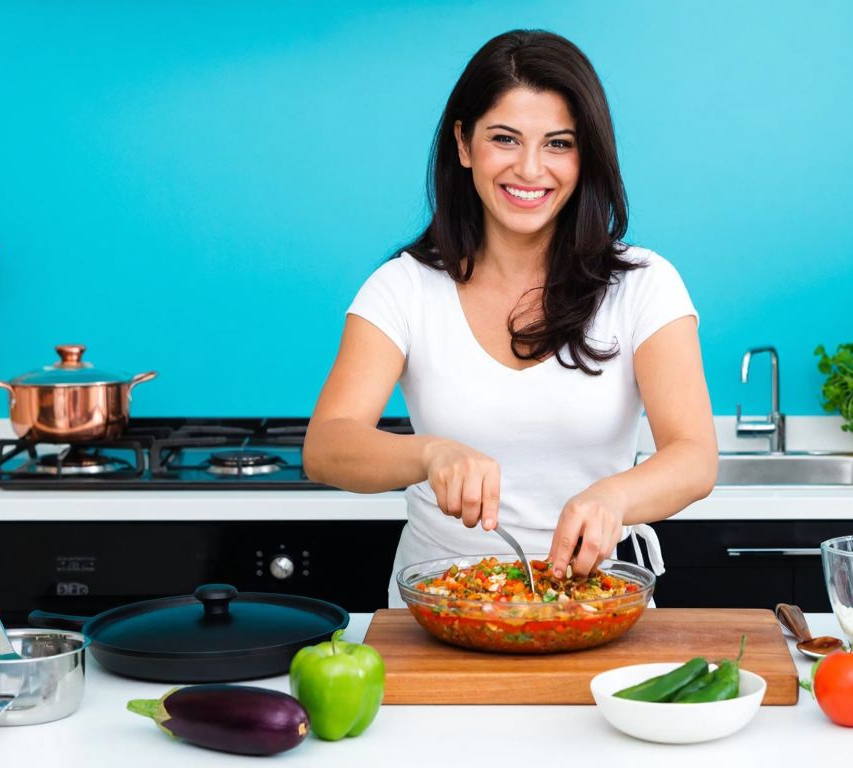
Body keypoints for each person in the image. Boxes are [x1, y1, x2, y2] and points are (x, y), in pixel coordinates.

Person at [304, 29, 717, 608]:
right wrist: (429, 454)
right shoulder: (403, 286)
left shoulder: (643, 284)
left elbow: (695, 456)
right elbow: (326, 446)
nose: (530, 169)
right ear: (464, 144)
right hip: (438, 610)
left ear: (586, 154)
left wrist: (613, 499)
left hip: (594, 603)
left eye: (558, 143)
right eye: (505, 139)